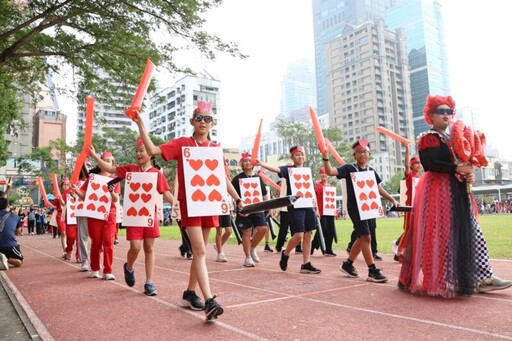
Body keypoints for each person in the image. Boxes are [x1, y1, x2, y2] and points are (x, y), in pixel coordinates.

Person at [133, 101, 244, 320]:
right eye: (199, 118)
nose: (203, 122)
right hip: (190, 204)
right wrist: (141, 126)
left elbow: (223, 179)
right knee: (200, 251)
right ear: (192, 121)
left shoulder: (215, 149)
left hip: (210, 204)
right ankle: (210, 300)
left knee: (200, 252)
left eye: (207, 118)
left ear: (213, 123)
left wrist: (238, 200)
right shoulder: (183, 143)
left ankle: (190, 293)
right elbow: (154, 150)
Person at [398, 95, 512, 297]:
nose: (446, 115)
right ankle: (444, 278)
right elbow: (431, 164)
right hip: (439, 194)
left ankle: (483, 277)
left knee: (472, 233)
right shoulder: (428, 138)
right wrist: (458, 168)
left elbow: (462, 164)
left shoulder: (455, 140)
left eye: (449, 111)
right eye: (441, 111)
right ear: (430, 115)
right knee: (442, 237)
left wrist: (467, 172)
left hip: (457, 192)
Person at [89, 138, 174, 296]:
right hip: (134, 216)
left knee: (149, 248)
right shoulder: (131, 169)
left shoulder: (156, 174)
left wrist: (177, 204)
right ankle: (129, 267)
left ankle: (149, 282)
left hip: (150, 215)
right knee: (135, 247)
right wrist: (95, 156)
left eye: (142, 150)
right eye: (137, 150)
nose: (138, 153)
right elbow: (110, 168)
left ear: (151, 152)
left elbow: (166, 193)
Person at [323, 140, 398, 283]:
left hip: (368, 208)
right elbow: (330, 172)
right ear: (354, 155)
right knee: (366, 237)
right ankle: (372, 270)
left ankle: (348, 264)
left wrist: (392, 199)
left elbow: (378, 189)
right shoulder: (349, 168)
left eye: (365, 151)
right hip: (355, 208)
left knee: (361, 237)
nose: (363, 154)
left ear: (369, 154)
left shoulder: (371, 171)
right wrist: (326, 157)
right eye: (359, 152)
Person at [256, 146, 321, 274]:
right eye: (297, 155)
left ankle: (306, 263)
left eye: (302, 154)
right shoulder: (289, 170)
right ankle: (285, 254)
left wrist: (316, 208)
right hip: (295, 206)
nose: (300, 157)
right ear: (292, 157)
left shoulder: (308, 172)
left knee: (309, 233)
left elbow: (311, 192)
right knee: (299, 234)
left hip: (308, 205)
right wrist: (261, 163)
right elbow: (276, 169)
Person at [72, 152, 120, 280]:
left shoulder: (115, 179)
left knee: (108, 241)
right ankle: (94, 268)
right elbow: (84, 196)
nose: (107, 162)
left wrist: (111, 191)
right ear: (100, 162)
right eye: (104, 160)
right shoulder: (92, 178)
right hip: (94, 214)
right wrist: (76, 190)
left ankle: (108, 270)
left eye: (109, 161)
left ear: (112, 163)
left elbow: (115, 199)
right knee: (96, 242)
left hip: (110, 213)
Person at [232, 153, 269, 268]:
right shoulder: (237, 178)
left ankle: (252, 248)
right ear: (242, 164)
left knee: (263, 229)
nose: (247, 163)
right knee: (246, 232)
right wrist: (238, 205)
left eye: (249, 160)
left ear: (253, 164)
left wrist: (268, 207)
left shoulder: (258, 178)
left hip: (257, 209)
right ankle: (247, 257)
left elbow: (264, 194)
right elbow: (233, 195)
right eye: (245, 161)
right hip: (244, 209)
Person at [392, 144, 422, 261]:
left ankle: (407, 252)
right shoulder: (410, 176)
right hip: (409, 207)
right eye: (416, 163)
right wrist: (407, 150)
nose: (418, 165)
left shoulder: (420, 177)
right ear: (411, 165)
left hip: (417, 207)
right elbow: (406, 165)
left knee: (414, 230)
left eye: (420, 163)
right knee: (409, 230)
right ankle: (398, 252)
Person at [311, 167, 337, 257]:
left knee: (331, 230)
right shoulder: (317, 186)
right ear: (320, 174)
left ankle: (328, 249)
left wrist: (334, 211)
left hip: (329, 211)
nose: (324, 175)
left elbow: (332, 200)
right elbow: (313, 198)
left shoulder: (331, 187)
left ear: (329, 175)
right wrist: (315, 209)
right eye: (322, 173)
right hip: (321, 211)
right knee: (322, 229)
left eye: (325, 173)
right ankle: (313, 244)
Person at [0, 198, 23, 269]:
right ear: (8, 206)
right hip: (9, 246)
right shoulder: (15, 216)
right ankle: (6, 258)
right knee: (19, 261)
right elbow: (17, 233)